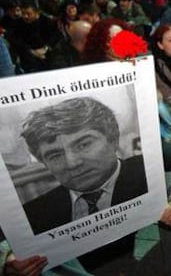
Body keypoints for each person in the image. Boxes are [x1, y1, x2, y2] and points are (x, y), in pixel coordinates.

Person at [20, 97, 148, 234]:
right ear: (44, 163)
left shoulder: (149, 173)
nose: (72, 163)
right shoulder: (32, 216)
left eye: (83, 145)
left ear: (113, 139)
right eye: (55, 155)